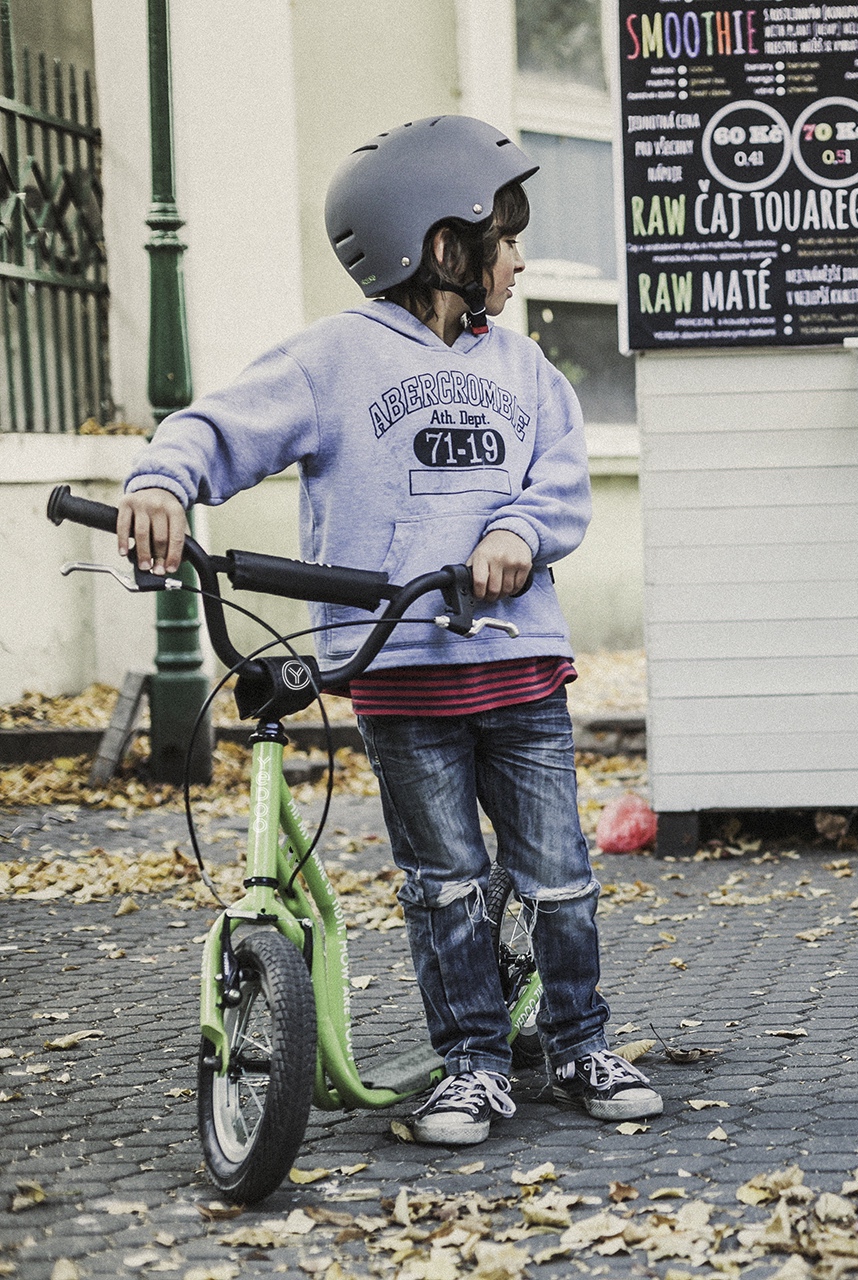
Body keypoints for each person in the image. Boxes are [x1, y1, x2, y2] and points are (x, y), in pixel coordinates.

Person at [114, 116, 661, 1145]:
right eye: (506, 234)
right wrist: (161, 477)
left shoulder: (529, 369)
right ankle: (473, 1064)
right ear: (441, 244)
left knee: (558, 874)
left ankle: (581, 1039)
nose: (520, 256)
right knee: (444, 881)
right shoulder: (331, 359)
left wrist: (515, 529)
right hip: (401, 677)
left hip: (520, 667)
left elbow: (561, 481)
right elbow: (215, 426)